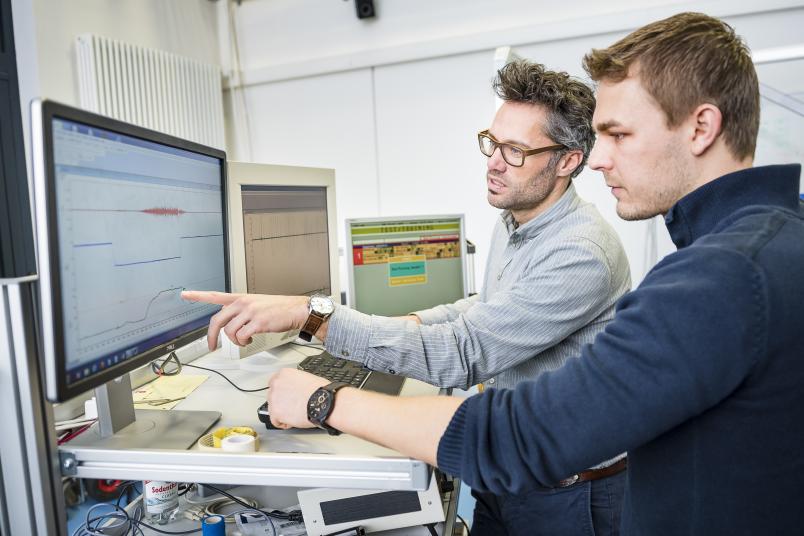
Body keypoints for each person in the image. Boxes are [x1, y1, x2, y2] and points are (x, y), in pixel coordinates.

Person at [219, 11, 804, 535]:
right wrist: (399, 323)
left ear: (701, 128)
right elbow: (482, 308)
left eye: (619, 135)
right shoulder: (762, 244)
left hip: (569, 499)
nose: (601, 160)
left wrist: (324, 393)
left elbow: (519, 433)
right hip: (522, 492)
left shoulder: (719, 276)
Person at [185, 61, 631, 536]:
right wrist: (413, 320)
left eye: (516, 150)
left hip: (564, 493)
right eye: (492, 142)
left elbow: (463, 354)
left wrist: (309, 315)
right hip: (512, 468)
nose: (494, 162)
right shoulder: (520, 219)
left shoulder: (579, 254)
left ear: (568, 160)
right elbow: (486, 306)